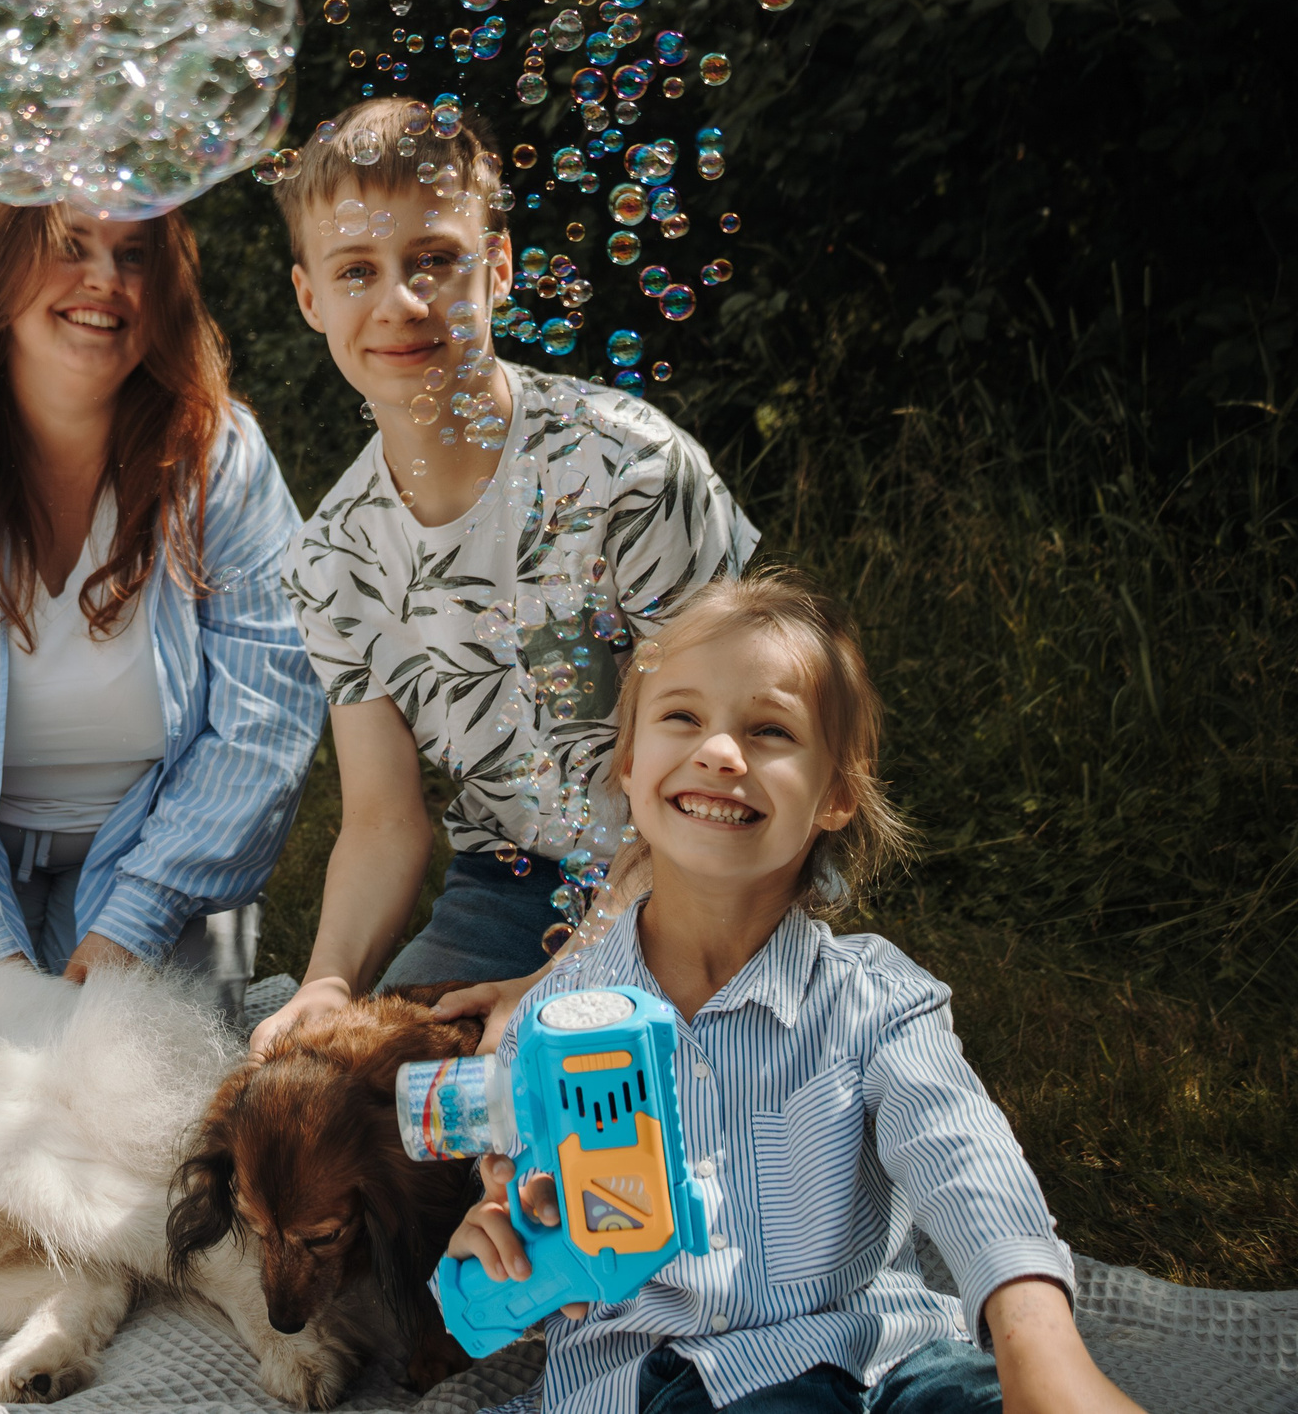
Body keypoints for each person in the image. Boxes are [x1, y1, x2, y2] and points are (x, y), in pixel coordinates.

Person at [446, 570, 1141, 1414]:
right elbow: (529, 1228)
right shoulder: (554, 1031)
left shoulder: (875, 999)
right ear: (629, 764)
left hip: (887, 1359)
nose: (720, 751)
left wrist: (1038, 1343)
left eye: (770, 728)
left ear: (837, 793)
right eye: (682, 717)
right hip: (678, 1375)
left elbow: (964, 1156)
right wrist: (499, 1239)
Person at [250, 96, 757, 1057]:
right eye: (357, 270)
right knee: (380, 1110)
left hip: (708, 857)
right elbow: (384, 818)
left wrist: (572, 976)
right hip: (512, 879)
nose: (399, 302)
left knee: (590, 1086)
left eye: (434, 261)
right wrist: (327, 981)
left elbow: (729, 759)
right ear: (311, 298)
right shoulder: (330, 561)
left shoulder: (630, 471)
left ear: (500, 268)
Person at [0, 201, 322, 1014]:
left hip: (161, 868)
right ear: (1, 270)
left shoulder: (221, 461)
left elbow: (265, 724)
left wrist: (137, 919)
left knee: (139, 1119)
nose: (105, 280)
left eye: (136, 254)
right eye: (70, 247)